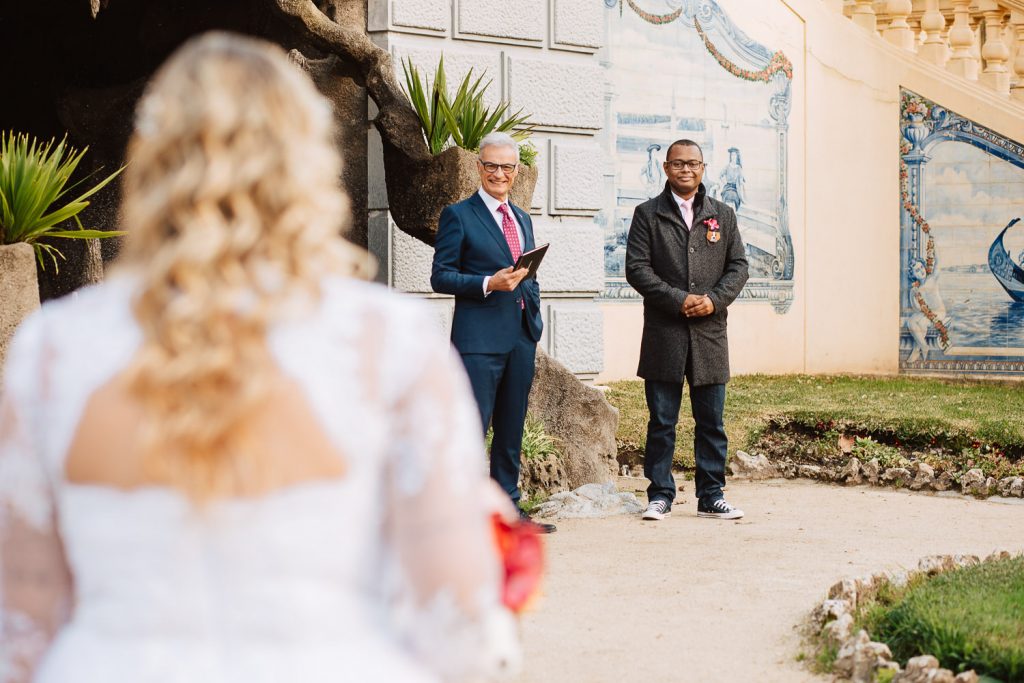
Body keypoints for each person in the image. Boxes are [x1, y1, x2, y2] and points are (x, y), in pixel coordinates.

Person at [0, 33, 523, 683]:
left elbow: (20, 634)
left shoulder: (52, 351)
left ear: (152, 162)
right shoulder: (386, 342)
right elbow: (460, 637)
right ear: (309, 163)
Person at [430, 132, 555, 534]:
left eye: (507, 167)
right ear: (478, 168)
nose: (499, 173)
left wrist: (531, 315)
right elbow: (440, 276)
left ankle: (507, 511)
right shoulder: (459, 215)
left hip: (520, 337)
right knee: (471, 428)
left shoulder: (521, 217)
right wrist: (487, 283)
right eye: (491, 166)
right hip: (478, 341)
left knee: (511, 427)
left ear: (516, 172)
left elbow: (526, 275)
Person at [625, 139, 749, 521]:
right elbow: (637, 269)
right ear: (666, 168)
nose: (686, 170)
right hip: (665, 332)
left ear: (703, 167)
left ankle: (711, 494)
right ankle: (660, 493)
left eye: (693, 164)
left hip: (710, 334)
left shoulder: (722, 215)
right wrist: (678, 298)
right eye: (678, 164)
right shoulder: (647, 214)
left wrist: (714, 300)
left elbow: (739, 266)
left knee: (712, 421)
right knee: (662, 421)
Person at [906, 256, 948, 362]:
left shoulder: (932, 279)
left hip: (938, 312)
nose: (921, 271)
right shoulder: (915, 289)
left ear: (925, 267)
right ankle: (924, 346)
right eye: (917, 270)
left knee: (922, 323)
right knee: (911, 321)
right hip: (925, 312)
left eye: (921, 267)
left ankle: (917, 349)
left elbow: (938, 263)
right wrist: (914, 294)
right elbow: (917, 308)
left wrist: (935, 250)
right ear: (913, 275)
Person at [717, 147, 746, 212]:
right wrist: (724, 182)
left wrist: (741, 194)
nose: (733, 157)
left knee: (735, 198)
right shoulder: (727, 166)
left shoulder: (739, 168)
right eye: (732, 155)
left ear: (737, 156)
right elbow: (720, 175)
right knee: (727, 196)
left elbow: (741, 181)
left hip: (736, 188)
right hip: (728, 187)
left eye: (735, 155)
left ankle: (734, 214)